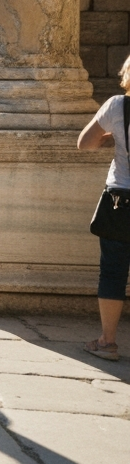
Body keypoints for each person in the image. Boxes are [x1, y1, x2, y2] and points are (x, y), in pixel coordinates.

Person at [77, 54, 130, 362]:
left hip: (121, 199)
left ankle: (107, 342)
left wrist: (114, 139)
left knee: (113, 271)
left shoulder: (118, 106)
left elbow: (85, 142)